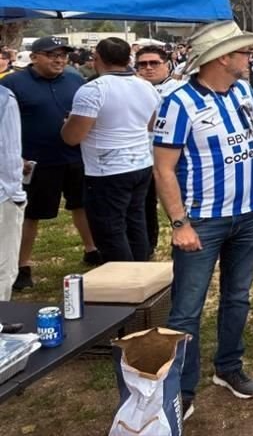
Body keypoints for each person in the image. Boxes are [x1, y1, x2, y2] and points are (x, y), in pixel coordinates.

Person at [153, 21, 253, 419]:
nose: (249, 58)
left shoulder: (239, 91)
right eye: (242, 53)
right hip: (201, 221)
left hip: (249, 216)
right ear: (221, 58)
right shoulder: (179, 102)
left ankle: (228, 368)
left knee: (238, 297)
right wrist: (179, 223)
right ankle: (180, 389)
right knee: (187, 308)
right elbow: (163, 169)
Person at [0, 36, 100, 291]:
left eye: (62, 55)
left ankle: (92, 249)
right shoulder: (13, 83)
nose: (58, 59)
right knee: (30, 213)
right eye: (51, 54)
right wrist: (15, 156)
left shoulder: (75, 78)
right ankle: (22, 265)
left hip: (74, 156)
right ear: (34, 57)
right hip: (34, 161)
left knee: (82, 205)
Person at [62, 38, 159, 263]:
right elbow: (152, 124)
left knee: (110, 229)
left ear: (97, 59)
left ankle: (123, 280)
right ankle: (141, 271)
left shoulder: (93, 90)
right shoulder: (145, 85)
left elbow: (73, 137)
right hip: (140, 163)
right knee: (135, 221)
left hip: (107, 170)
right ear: (128, 59)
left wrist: (66, 124)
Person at [135, 46, 180, 256]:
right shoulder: (131, 88)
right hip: (141, 158)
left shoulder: (178, 89)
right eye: (142, 64)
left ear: (167, 65)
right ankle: (147, 247)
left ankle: (180, 240)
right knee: (144, 205)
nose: (148, 68)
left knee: (177, 203)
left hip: (172, 159)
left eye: (154, 63)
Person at [0, 84, 25, 301]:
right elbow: (9, 153)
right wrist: (15, 194)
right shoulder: (4, 98)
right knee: (3, 269)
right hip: (3, 195)